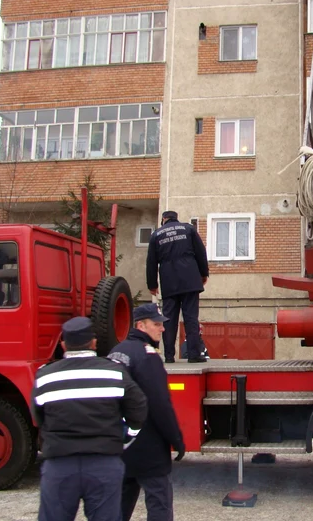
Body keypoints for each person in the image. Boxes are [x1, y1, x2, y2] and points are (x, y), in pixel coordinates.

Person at [31, 316, 148, 521]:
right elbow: (138, 407)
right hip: (104, 463)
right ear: (94, 342)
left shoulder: (45, 376)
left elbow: (38, 416)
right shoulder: (114, 372)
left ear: (64, 344)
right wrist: (127, 437)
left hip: (59, 465)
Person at [108, 303, 186, 521]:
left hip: (121, 443)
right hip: (148, 446)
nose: (162, 329)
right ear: (141, 325)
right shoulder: (147, 355)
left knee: (119, 504)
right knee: (159, 504)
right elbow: (160, 403)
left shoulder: (116, 352)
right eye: (156, 324)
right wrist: (176, 440)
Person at [146, 210, 209, 363]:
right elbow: (201, 253)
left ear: (164, 219)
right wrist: (203, 274)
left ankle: (169, 356)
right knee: (191, 318)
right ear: (176, 218)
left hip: (169, 282)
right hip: (190, 279)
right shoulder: (188, 229)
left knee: (169, 319)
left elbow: (151, 262)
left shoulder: (157, 235)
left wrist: (152, 284)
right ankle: (194, 354)